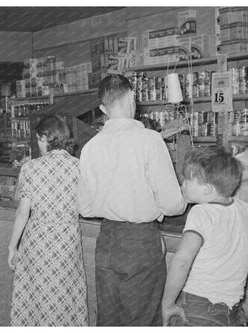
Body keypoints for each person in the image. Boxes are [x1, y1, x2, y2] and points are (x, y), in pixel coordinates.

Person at [77, 74, 186, 326]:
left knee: (108, 320)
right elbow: (172, 204)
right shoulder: (149, 140)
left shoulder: (91, 147)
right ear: (132, 97)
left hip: (106, 242)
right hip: (140, 241)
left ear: (103, 108)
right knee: (142, 320)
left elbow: (85, 206)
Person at [162, 147, 248, 326]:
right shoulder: (244, 209)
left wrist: (167, 304)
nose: (182, 184)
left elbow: (182, 261)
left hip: (199, 307)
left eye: (188, 180)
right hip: (233, 312)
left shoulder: (201, 213)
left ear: (207, 189)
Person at [8, 115, 88, 326]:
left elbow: (22, 213)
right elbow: (86, 206)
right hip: (67, 240)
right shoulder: (79, 166)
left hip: (38, 241)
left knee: (36, 298)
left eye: (38, 140)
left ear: (44, 137)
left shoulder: (31, 168)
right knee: (65, 296)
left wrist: (12, 246)